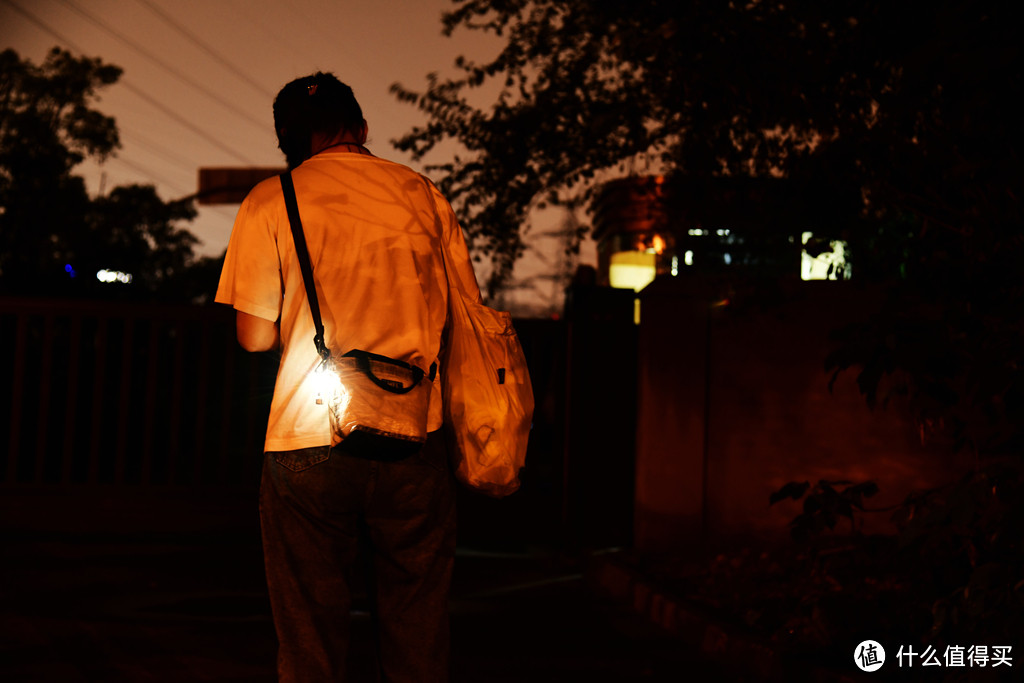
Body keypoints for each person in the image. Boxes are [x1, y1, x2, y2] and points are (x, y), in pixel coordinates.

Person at [215, 72, 480, 682]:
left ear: (289, 141)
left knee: (311, 632)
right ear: (361, 128)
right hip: (416, 429)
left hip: (310, 434)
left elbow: (253, 337)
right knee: (417, 626)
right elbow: (464, 314)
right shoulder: (424, 195)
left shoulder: (272, 198)